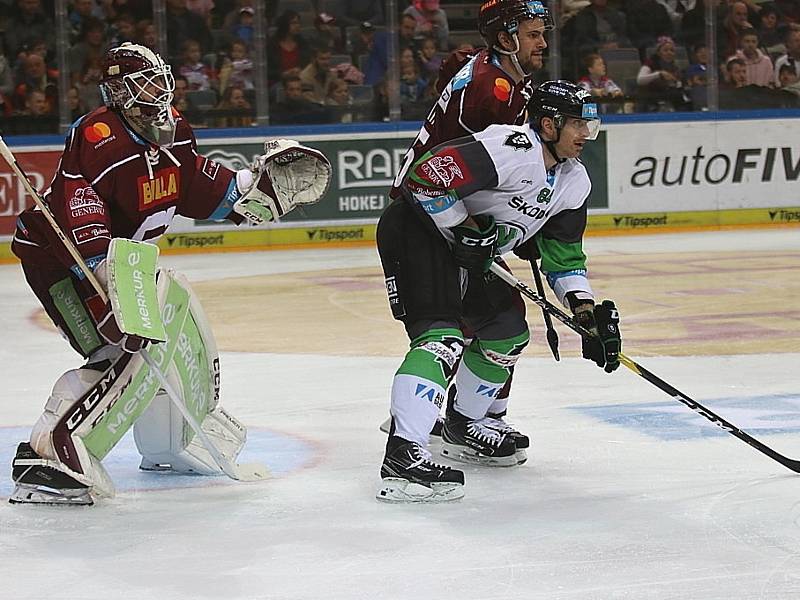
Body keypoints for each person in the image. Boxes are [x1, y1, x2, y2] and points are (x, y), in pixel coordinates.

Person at [8, 42, 331, 506]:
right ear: (120, 91)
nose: (159, 91)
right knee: (116, 351)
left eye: (161, 78)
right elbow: (81, 205)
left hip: (126, 261)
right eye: (146, 83)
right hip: (62, 262)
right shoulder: (99, 136)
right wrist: (107, 276)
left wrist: (251, 189)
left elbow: (194, 181)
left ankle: (169, 445)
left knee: (152, 344)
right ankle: (49, 454)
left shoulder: (175, 128)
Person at [376, 81, 622, 503]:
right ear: (548, 124)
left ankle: (464, 425)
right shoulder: (511, 148)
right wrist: (462, 227)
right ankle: (403, 454)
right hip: (419, 231)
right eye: (578, 124)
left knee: (506, 330)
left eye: (590, 125)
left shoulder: (573, 180)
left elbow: (563, 257)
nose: (586, 134)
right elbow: (427, 175)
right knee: (441, 339)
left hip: (471, 253)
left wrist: (584, 309)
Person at [382, 0, 555, 457]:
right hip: (431, 216)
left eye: (542, 33)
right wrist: (494, 224)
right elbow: (486, 168)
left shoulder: (496, 74)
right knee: (458, 327)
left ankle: (476, 417)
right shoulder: (492, 89)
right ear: (505, 39)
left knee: (499, 318)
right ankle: (437, 425)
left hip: (441, 212)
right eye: (533, 34)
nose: (543, 42)